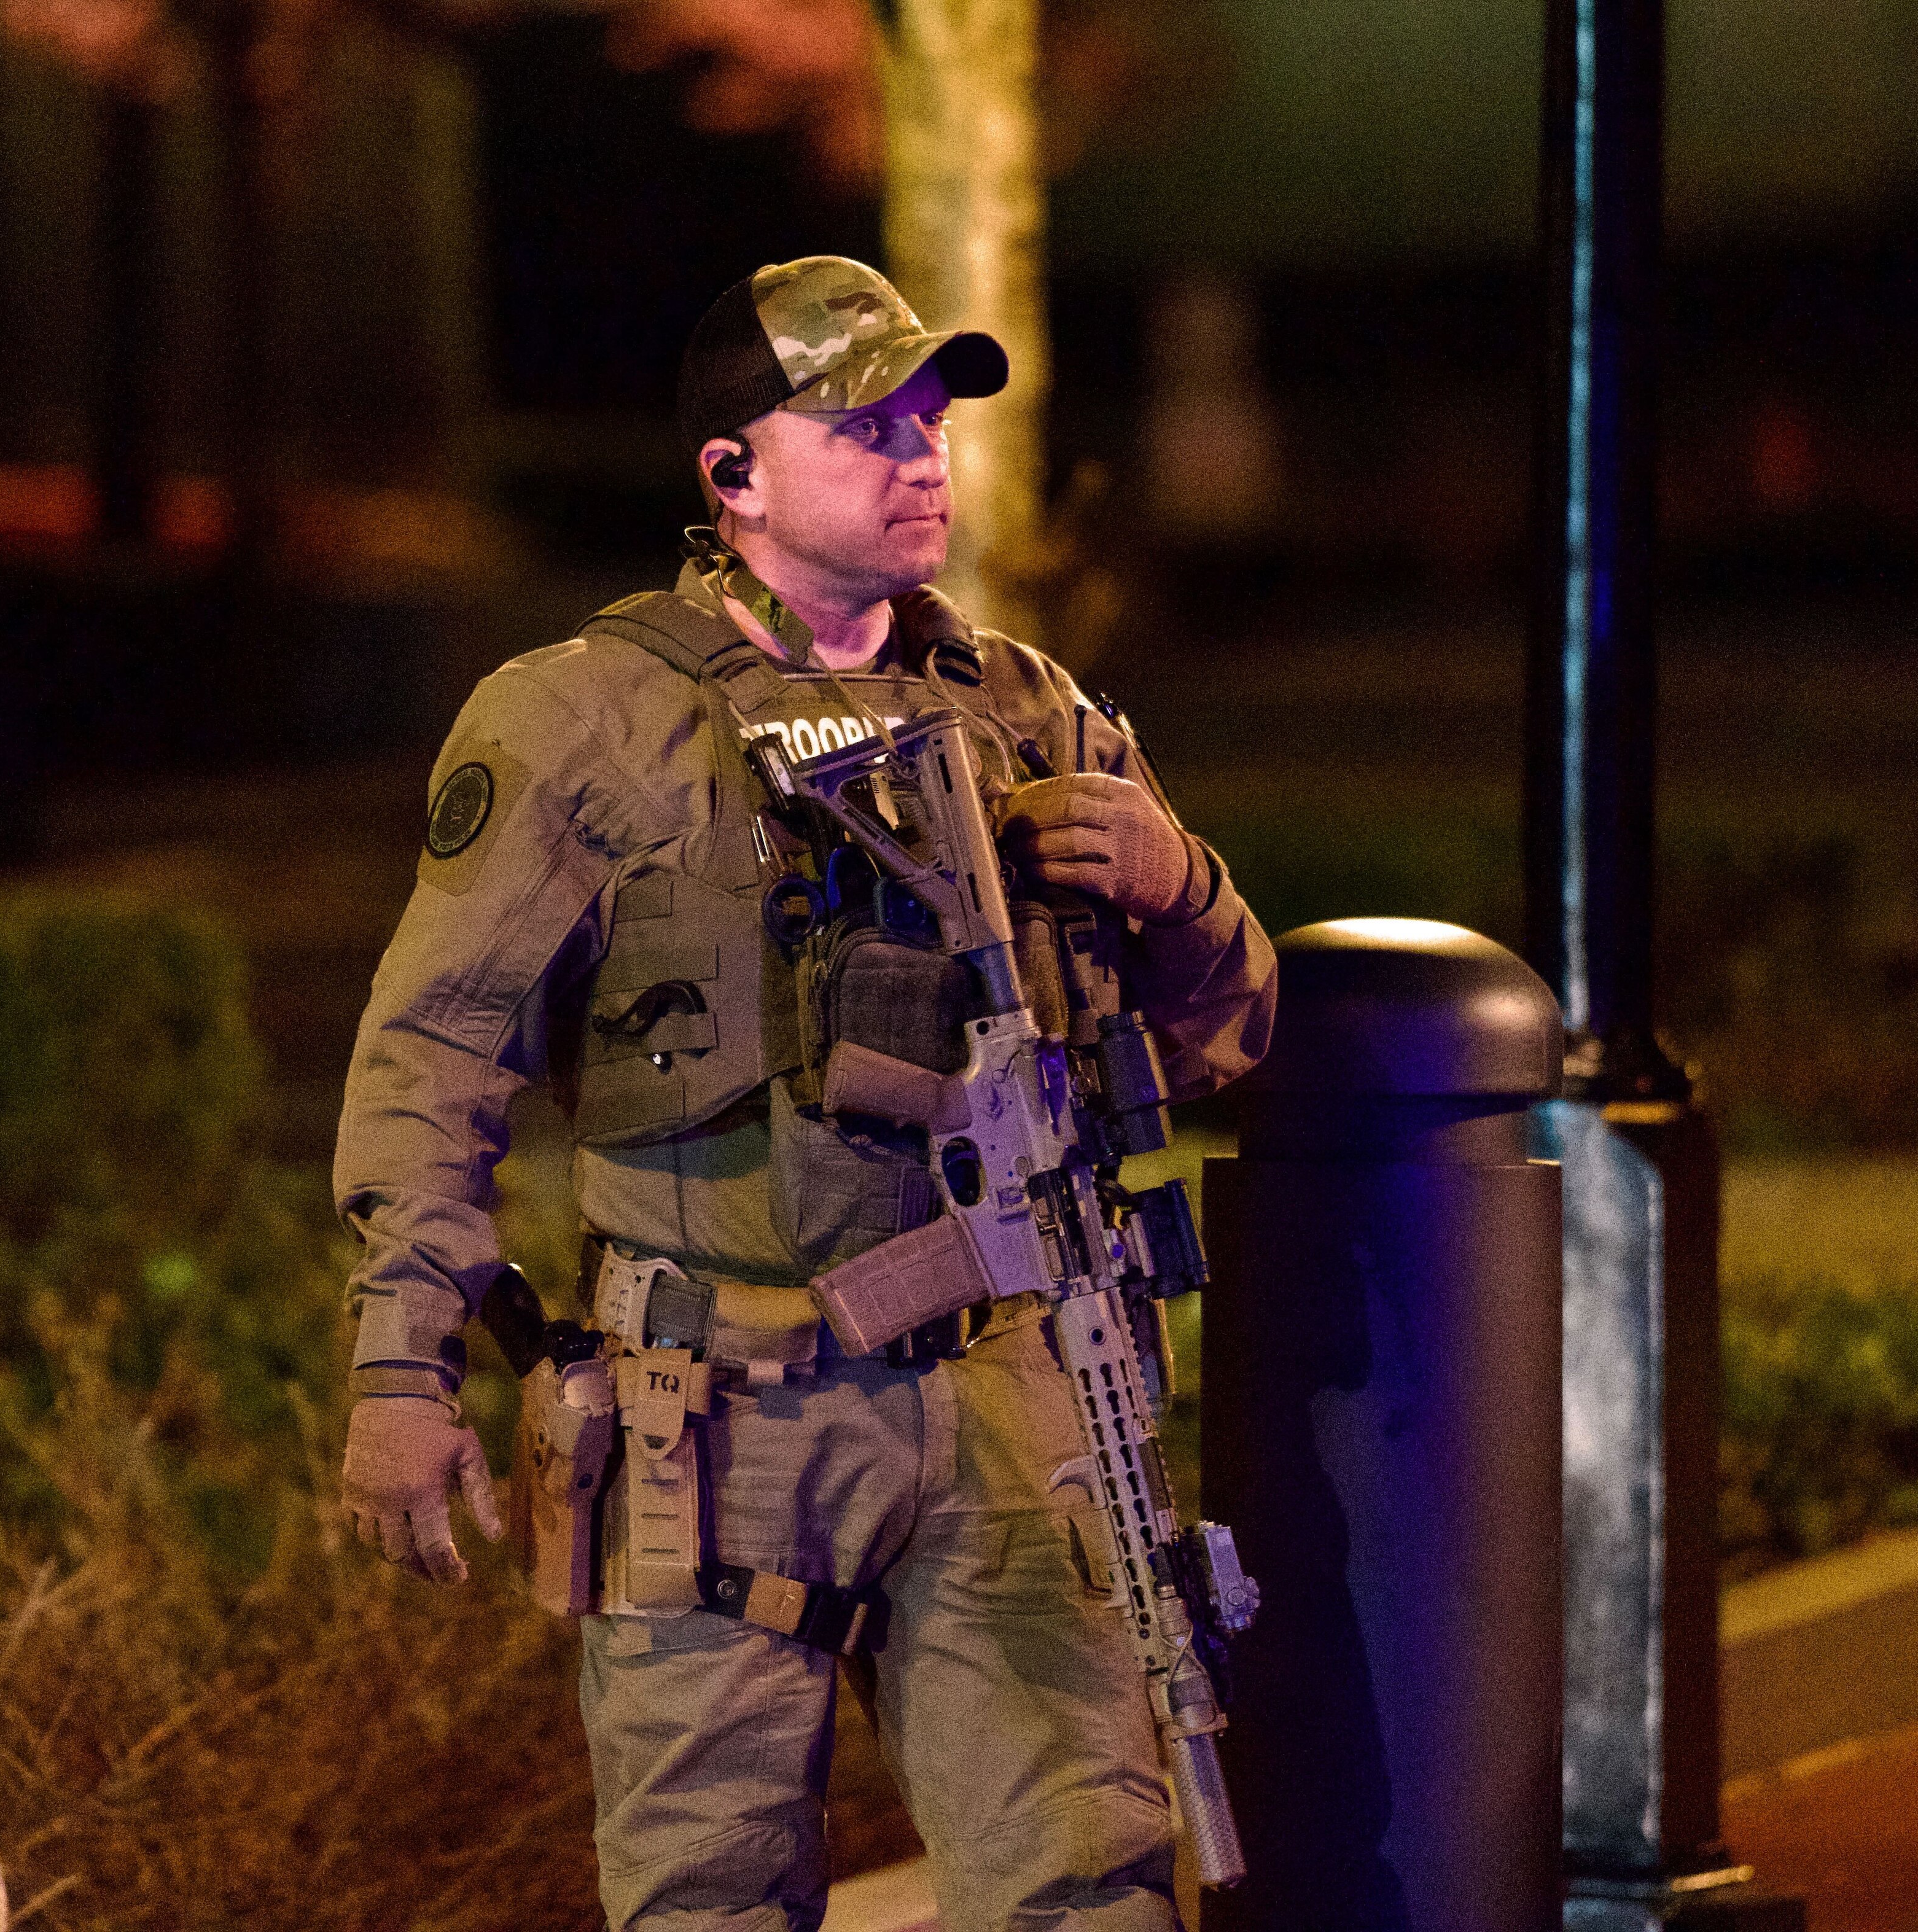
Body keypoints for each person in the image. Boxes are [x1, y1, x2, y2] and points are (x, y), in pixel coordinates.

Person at [331, 255, 1276, 1932]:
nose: (921, 456)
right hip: (719, 1412)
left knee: (1090, 1886)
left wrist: (1177, 881)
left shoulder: (1029, 712)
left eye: (930, 421)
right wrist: (402, 1361)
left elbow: (1227, 1040)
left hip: (1005, 1404)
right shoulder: (583, 723)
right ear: (733, 476)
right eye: (864, 424)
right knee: (707, 1901)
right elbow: (431, 1060)